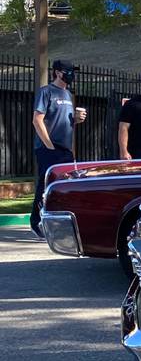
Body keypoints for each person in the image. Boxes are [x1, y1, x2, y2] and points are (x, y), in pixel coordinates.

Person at [30, 59, 86, 237]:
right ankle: (36, 222)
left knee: (64, 187)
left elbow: (65, 121)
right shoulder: (46, 92)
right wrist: (49, 146)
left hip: (65, 149)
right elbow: (37, 119)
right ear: (57, 72)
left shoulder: (68, 94)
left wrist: (77, 119)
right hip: (48, 149)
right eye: (68, 71)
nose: (71, 74)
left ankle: (58, 223)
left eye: (72, 71)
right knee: (46, 185)